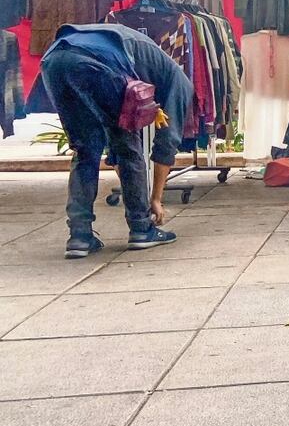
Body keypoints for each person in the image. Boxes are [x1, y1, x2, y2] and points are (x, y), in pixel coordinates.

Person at [38, 23, 192, 259]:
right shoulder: (180, 83)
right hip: (95, 62)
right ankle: (142, 229)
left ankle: (80, 237)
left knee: (85, 150)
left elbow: (117, 154)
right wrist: (155, 199)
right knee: (128, 146)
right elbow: (167, 142)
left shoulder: (149, 61)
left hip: (54, 60)